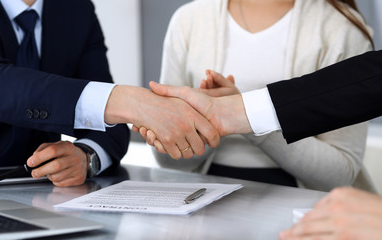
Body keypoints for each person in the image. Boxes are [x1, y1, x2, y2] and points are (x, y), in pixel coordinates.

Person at [0, 0, 220, 187]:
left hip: (39, 194)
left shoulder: (75, 9)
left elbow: (110, 122)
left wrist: (86, 156)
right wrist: (127, 102)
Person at [148, 0, 374, 191]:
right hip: (200, 195)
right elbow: (167, 159)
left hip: (302, 204)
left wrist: (244, 119)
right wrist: (209, 124)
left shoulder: (340, 29)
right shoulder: (188, 20)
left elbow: (340, 176)